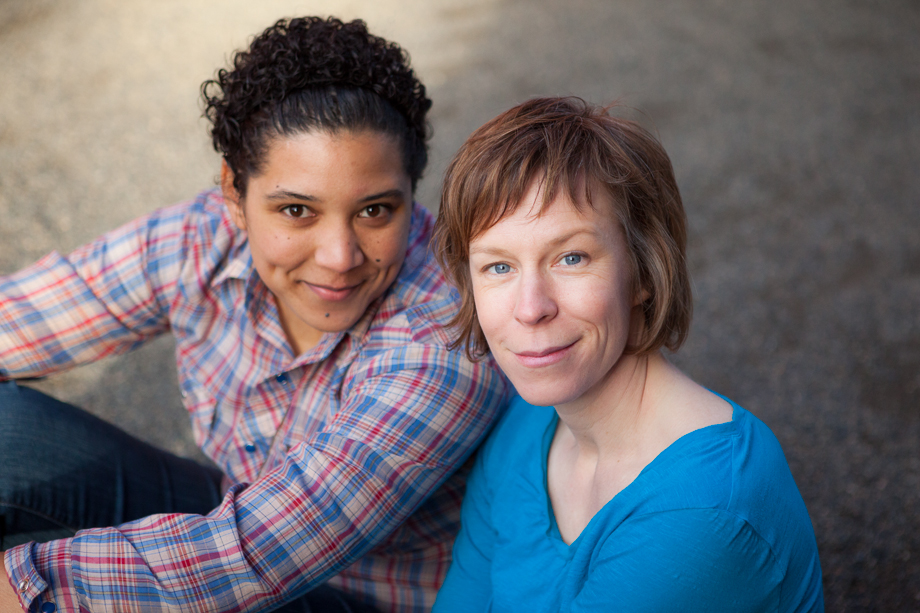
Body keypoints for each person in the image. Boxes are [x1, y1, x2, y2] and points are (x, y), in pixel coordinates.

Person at [0, 17, 509, 613]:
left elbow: (255, 555)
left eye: (375, 210)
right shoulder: (205, 237)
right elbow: (32, 311)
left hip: (355, 594)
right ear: (234, 196)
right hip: (233, 510)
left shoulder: (446, 338)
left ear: (410, 193)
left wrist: (20, 584)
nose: (339, 257)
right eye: (297, 210)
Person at [431, 97, 824, 612]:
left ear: (642, 270)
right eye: (498, 267)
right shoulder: (524, 425)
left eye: (571, 257)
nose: (530, 309)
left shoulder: (702, 509)